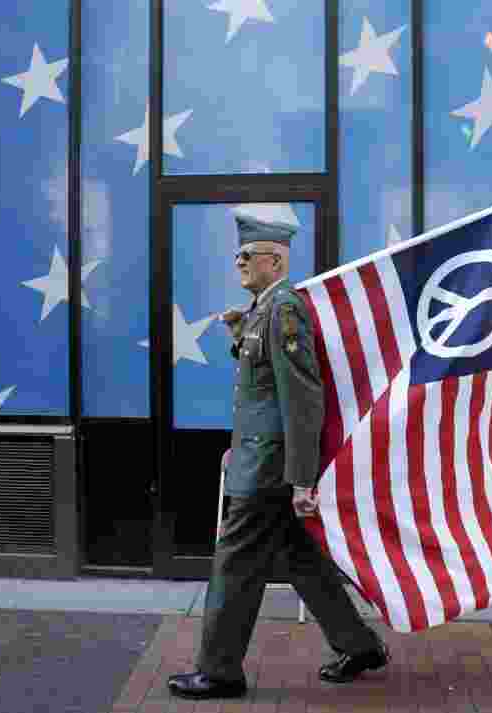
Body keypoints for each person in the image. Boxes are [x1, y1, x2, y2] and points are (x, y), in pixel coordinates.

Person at [168, 215, 390, 701]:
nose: (239, 262)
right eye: (238, 255)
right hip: (259, 457)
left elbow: (302, 396)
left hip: (269, 469)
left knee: (234, 562)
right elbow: (263, 385)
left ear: (275, 259)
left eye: (248, 255)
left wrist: (302, 479)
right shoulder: (262, 309)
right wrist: (239, 331)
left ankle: (220, 670)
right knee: (299, 557)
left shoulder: (285, 308)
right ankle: (359, 645)